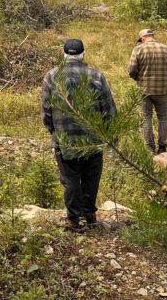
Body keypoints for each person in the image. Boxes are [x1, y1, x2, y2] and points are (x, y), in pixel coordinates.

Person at [42, 39, 117, 232]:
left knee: (71, 178)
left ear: (64, 54)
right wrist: (109, 134)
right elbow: (108, 109)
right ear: (83, 54)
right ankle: (89, 215)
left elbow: (47, 110)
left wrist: (53, 131)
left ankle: (74, 218)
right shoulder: (96, 76)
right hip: (93, 138)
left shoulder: (52, 76)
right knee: (91, 177)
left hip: (65, 139)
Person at [128, 28, 167, 154]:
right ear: (152, 36)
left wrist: (139, 78)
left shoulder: (138, 49)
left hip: (144, 90)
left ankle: (150, 148)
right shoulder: (166, 49)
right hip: (163, 89)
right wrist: (164, 76)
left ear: (143, 38)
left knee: (146, 118)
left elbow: (132, 70)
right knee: (163, 118)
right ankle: (162, 147)